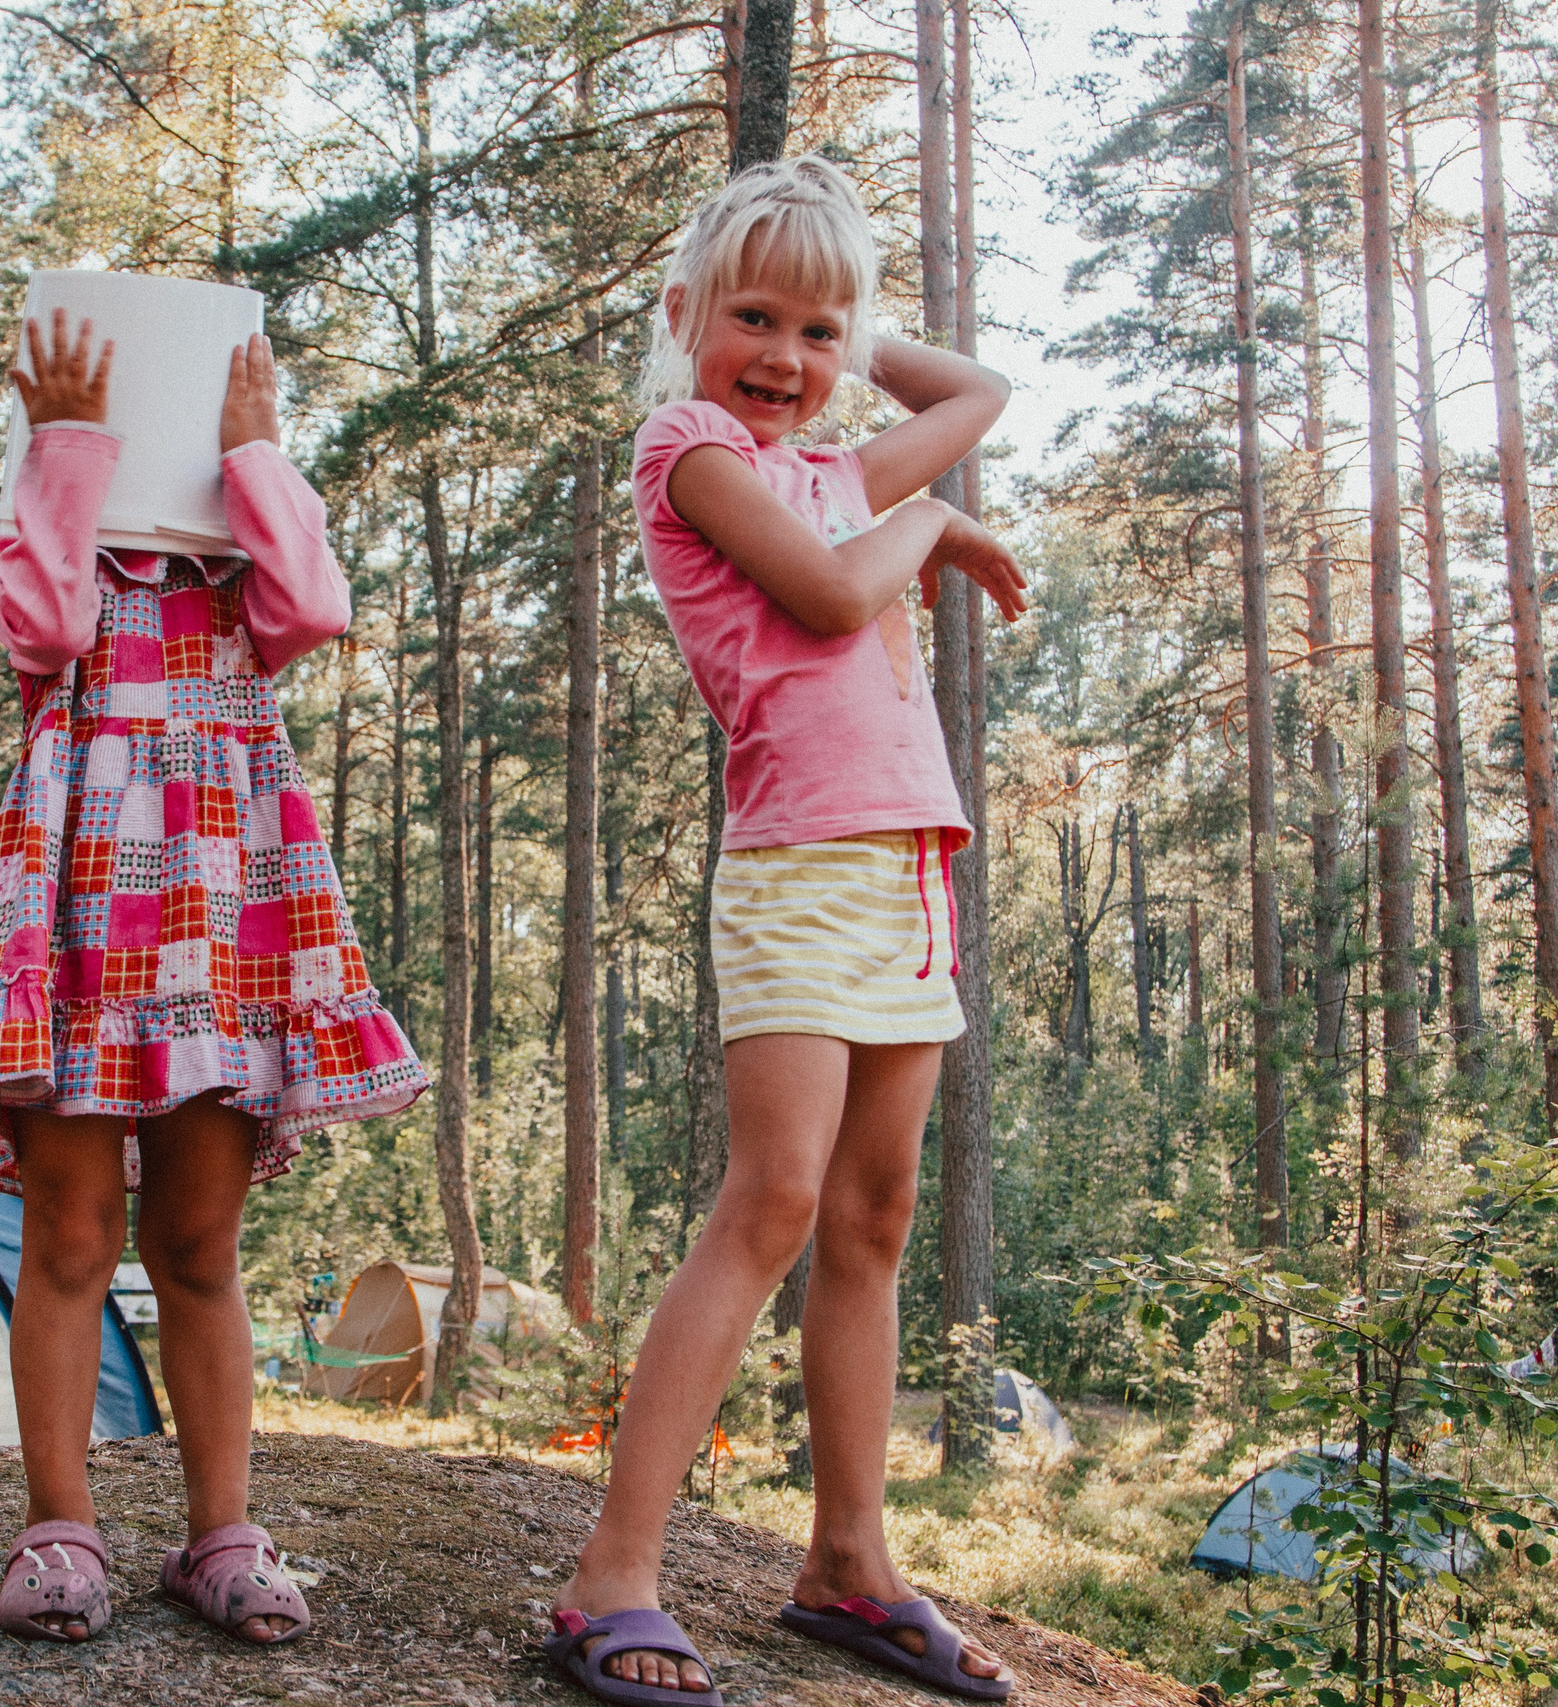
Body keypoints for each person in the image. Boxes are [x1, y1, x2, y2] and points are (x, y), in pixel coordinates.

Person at [542, 156, 1030, 1706]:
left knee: (874, 1219)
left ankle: (847, 1561)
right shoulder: (690, 448)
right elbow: (824, 601)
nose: (787, 358)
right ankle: (612, 1573)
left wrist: (850, 319)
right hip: (799, 866)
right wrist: (935, 525)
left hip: (905, 871)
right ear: (686, 315)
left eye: (815, 335)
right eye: (752, 316)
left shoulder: (825, 456)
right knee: (770, 1203)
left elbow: (983, 387)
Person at [0, 309, 430, 1650]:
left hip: (224, 925)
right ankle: (60, 1526)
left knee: (197, 1241)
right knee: (70, 1233)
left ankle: (221, 1533)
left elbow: (318, 603)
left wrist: (255, 454)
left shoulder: (244, 579)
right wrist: (69, 443)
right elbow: (55, 616)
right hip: (82, 924)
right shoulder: (35, 542)